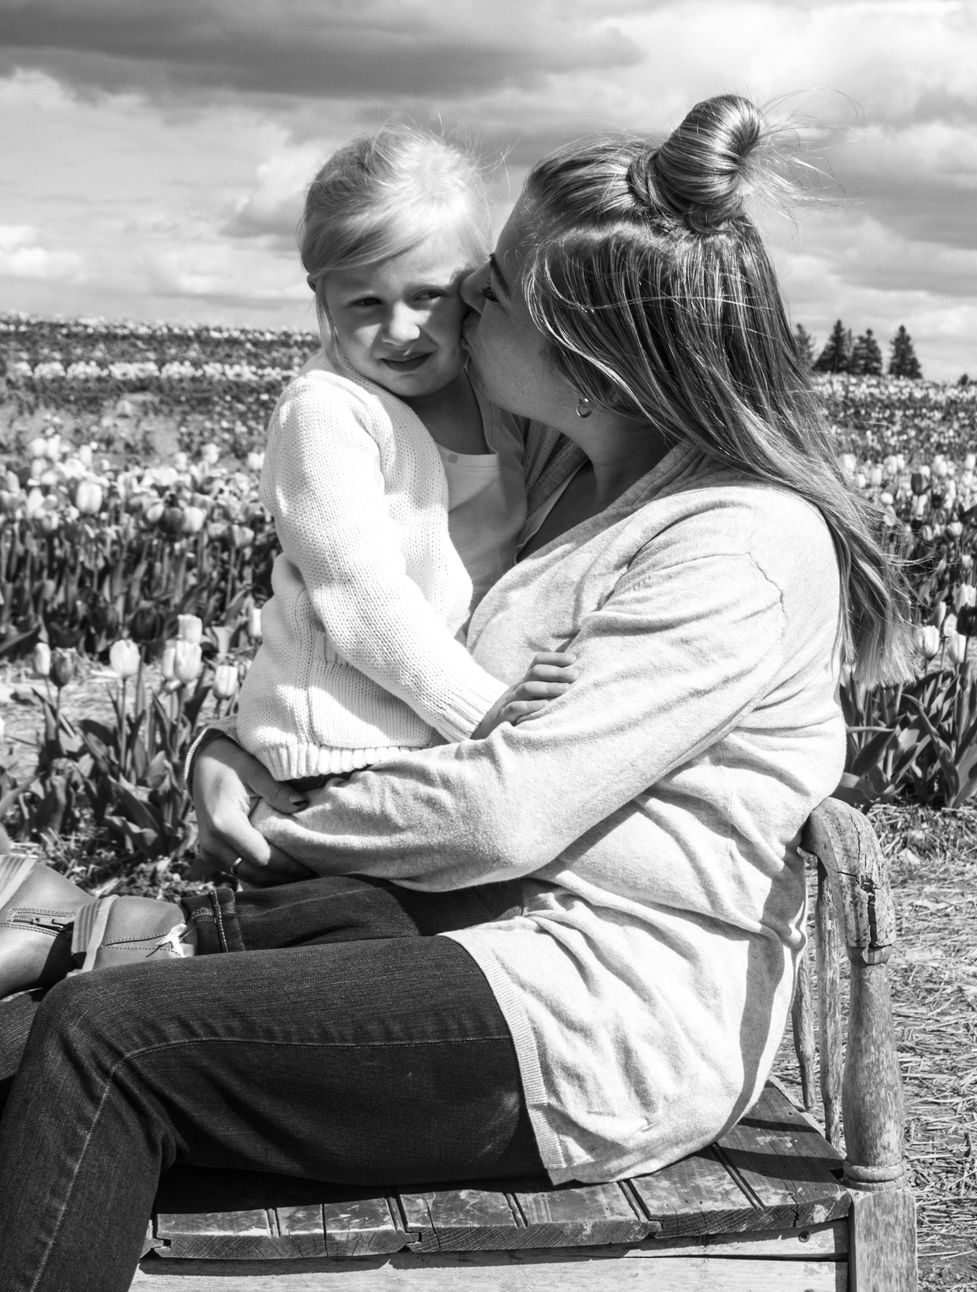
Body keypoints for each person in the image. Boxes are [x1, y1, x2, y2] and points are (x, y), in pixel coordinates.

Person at [0, 94, 913, 1292]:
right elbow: (371, 627)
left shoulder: (738, 542)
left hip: (598, 1010)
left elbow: (506, 808)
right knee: (29, 1034)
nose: (461, 303)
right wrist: (228, 741)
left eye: (491, 292)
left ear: (584, 361)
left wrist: (284, 821)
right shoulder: (572, 483)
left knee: (104, 1041)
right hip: (466, 926)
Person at [234, 124, 565, 786]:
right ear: (322, 297)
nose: (400, 329)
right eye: (366, 302)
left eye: (426, 296)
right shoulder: (327, 412)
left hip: (440, 724)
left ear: (476, 284)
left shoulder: (496, 390)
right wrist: (477, 707)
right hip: (340, 738)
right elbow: (359, 593)